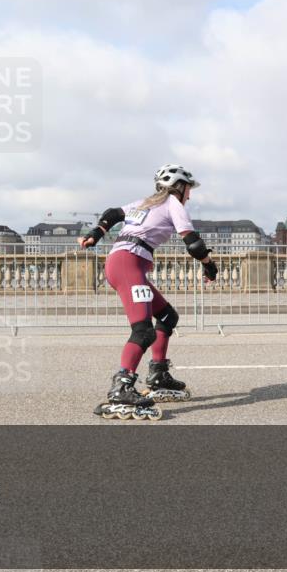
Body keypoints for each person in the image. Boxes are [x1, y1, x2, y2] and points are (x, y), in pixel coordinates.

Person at [79, 164, 218, 420]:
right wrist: (210, 266)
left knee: (167, 317)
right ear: (179, 188)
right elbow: (193, 243)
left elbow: (112, 213)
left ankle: (158, 375)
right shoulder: (173, 204)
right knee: (143, 330)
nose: (190, 195)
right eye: (188, 190)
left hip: (125, 263)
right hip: (128, 264)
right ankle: (122, 387)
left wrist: (95, 233)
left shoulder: (144, 203)